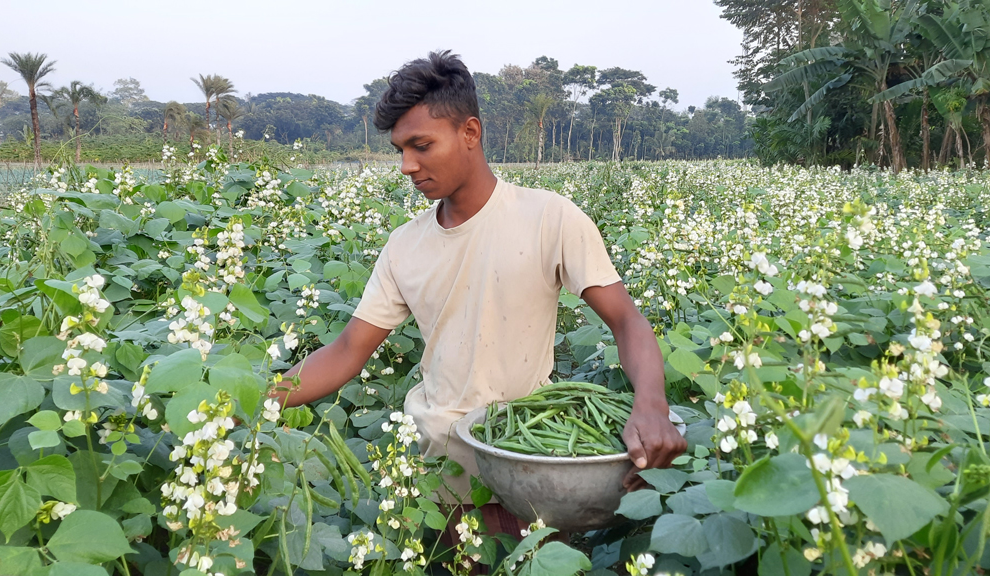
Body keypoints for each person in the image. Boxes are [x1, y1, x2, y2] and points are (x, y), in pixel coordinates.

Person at [275, 50, 686, 533]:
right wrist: (258, 401)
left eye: (421, 145)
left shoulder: (549, 218)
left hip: (533, 468)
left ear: (470, 133)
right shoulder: (404, 245)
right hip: (439, 474)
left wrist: (652, 405)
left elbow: (625, 320)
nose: (407, 165)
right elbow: (347, 351)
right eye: (399, 150)